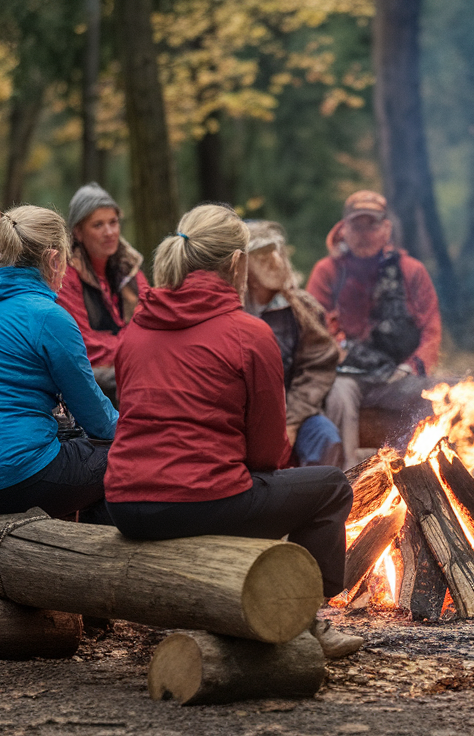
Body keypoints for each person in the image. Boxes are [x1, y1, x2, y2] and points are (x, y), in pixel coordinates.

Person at [105, 203, 361, 658]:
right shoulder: (249, 332)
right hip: (197, 501)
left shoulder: (136, 328)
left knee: (251, 488)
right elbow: (267, 451)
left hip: (125, 504)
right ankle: (304, 615)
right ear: (238, 264)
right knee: (331, 486)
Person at [0, 205, 117, 519]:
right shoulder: (47, 316)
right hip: (13, 476)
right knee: (131, 460)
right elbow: (96, 417)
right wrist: (142, 436)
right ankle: (92, 562)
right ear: (52, 259)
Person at [307, 191, 441, 469]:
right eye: (357, 225)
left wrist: (411, 368)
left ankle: (421, 478)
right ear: (344, 229)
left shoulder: (411, 270)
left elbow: (431, 330)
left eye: (373, 224)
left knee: (434, 396)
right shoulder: (327, 272)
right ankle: (342, 485)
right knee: (337, 397)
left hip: (398, 373)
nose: (365, 233)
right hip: (346, 375)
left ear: (387, 229)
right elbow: (312, 330)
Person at [245, 220, 344, 468]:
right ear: (242, 266)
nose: (272, 261)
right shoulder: (229, 307)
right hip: (241, 420)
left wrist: (291, 421)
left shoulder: (302, 308)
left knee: (326, 438)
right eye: (260, 254)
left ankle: (315, 505)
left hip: (293, 411)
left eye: (274, 251)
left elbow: (317, 367)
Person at [55, 183, 148, 403]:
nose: (109, 232)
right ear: (78, 232)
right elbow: (86, 345)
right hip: (96, 377)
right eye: (98, 225)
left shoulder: (129, 269)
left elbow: (152, 318)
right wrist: (138, 350)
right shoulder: (66, 275)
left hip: (132, 365)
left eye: (113, 222)